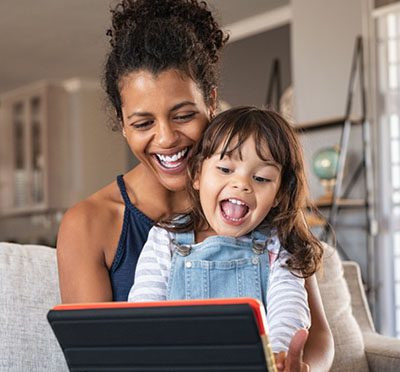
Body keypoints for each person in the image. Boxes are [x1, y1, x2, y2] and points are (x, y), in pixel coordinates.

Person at [56, 0, 334, 370]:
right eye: (142, 124)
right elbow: (97, 359)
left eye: (184, 115)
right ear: (122, 125)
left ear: (212, 102)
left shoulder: (258, 203)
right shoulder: (89, 224)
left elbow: (316, 336)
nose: (166, 138)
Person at [129, 106, 320, 357]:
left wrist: (278, 354)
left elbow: (289, 308)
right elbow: (143, 312)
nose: (242, 184)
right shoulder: (165, 237)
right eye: (225, 169)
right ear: (197, 174)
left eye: (261, 178)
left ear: (279, 194)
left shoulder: (277, 243)